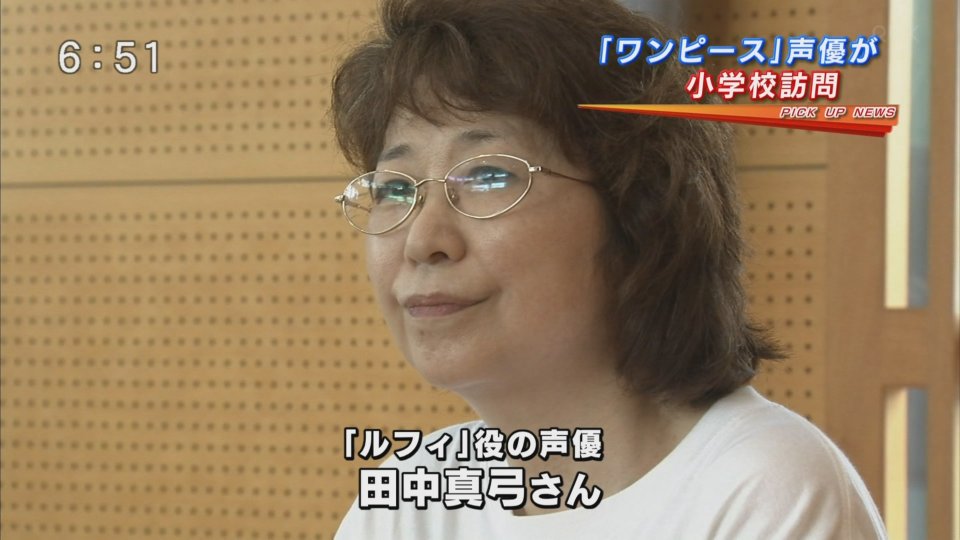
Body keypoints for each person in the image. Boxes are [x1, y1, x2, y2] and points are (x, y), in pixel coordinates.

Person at [329, 0, 887, 538]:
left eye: (489, 177)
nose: (423, 241)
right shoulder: (412, 498)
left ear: (639, 212)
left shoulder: (760, 488)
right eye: (395, 189)